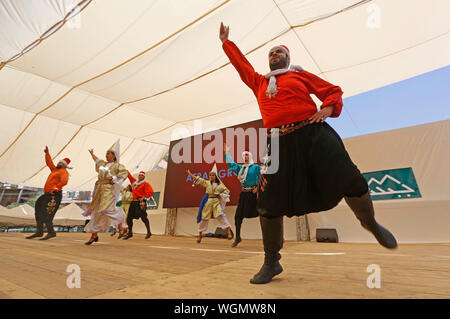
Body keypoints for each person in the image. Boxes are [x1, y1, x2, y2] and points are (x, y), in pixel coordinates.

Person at [219, 22, 397, 284]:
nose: (274, 55)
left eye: (278, 52)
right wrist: (226, 42)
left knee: (347, 176)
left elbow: (332, 91)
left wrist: (327, 108)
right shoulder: (258, 82)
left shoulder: (299, 76)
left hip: (311, 133)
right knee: (268, 201)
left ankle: (369, 221)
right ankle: (271, 261)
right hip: (278, 143)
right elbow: (241, 66)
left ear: (288, 58)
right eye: (270, 53)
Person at [82, 140, 127, 245]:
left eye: (108, 153)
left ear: (114, 155)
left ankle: (120, 219)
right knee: (96, 212)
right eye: (106, 153)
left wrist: (115, 178)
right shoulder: (103, 164)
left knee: (107, 210)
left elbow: (124, 173)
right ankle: (93, 235)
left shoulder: (117, 166)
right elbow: (97, 161)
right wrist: (92, 154)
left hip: (108, 190)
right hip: (99, 190)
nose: (106, 155)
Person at [26, 146, 70, 240]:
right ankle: (39, 231)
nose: (59, 163)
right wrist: (47, 153)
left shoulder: (63, 172)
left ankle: (51, 232)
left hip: (54, 195)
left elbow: (64, 181)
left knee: (47, 213)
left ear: (65, 165)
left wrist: (55, 188)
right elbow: (50, 163)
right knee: (38, 208)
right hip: (47, 194)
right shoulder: (55, 170)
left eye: (61, 163)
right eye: (59, 162)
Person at [224, 143, 261, 247]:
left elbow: (264, 177)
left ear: (251, 156)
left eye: (247, 155)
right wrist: (226, 153)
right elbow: (231, 164)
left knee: (264, 215)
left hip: (254, 194)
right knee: (238, 216)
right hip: (244, 194)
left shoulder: (256, 167)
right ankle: (238, 237)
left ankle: (273, 237)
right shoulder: (241, 169)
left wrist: (258, 188)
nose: (245, 157)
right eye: (244, 155)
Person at [187, 165, 233, 243]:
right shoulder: (207, 183)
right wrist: (191, 174)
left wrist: (221, 195)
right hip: (208, 202)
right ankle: (200, 235)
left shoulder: (220, 185)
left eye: (213, 175)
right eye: (210, 175)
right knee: (204, 218)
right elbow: (200, 180)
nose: (211, 176)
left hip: (216, 202)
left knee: (221, 216)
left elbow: (227, 192)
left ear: (216, 176)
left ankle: (229, 232)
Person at [122, 171, 154, 240]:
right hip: (133, 202)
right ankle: (130, 233)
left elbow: (151, 192)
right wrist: (124, 170)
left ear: (144, 177)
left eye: (142, 175)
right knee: (129, 218)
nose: (140, 176)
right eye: (139, 175)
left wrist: (144, 196)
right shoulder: (134, 182)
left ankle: (149, 232)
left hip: (140, 202)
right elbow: (129, 176)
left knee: (143, 217)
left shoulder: (145, 184)